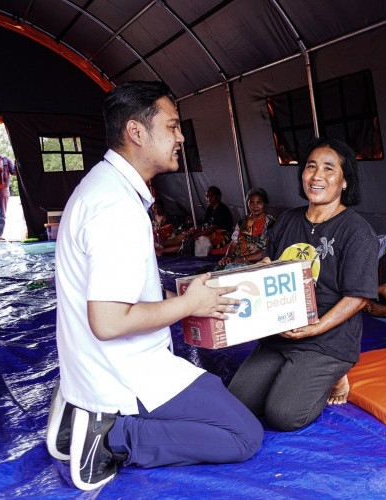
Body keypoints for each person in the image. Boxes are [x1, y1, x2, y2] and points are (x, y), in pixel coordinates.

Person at [46, 81, 262, 491]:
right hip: (124, 372)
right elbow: (108, 322)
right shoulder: (116, 209)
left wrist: (188, 300)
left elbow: (123, 294)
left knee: (214, 390)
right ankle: (112, 437)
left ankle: (79, 406)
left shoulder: (103, 186)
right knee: (243, 435)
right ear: (137, 132)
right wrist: (186, 305)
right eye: (173, 126)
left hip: (94, 365)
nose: (181, 137)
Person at [227, 138, 378, 431]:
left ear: (345, 181)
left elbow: (358, 297)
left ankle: (335, 373)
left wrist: (315, 327)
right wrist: (259, 271)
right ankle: (297, 373)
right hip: (281, 332)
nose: (317, 176)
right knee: (238, 402)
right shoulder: (287, 220)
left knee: (284, 416)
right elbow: (270, 267)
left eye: (329, 169)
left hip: (325, 340)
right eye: (311, 167)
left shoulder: (357, 232)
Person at [218, 187, 276, 266]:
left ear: (265, 203)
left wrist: (245, 259)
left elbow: (269, 249)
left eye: (259, 202)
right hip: (239, 260)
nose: (255, 206)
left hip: (261, 262)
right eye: (251, 202)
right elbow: (234, 244)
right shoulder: (243, 222)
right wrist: (228, 256)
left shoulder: (271, 223)